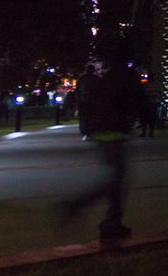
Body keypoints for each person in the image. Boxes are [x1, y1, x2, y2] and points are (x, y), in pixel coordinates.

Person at [59, 57, 144, 242]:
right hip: (113, 131)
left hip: (104, 130)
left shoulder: (103, 79)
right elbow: (129, 102)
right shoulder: (122, 78)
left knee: (117, 179)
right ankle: (78, 206)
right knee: (117, 179)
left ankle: (111, 222)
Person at [76, 64, 98, 140]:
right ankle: (90, 132)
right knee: (91, 117)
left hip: (84, 101)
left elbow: (77, 92)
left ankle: (86, 133)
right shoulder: (96, 79)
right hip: (92, 101)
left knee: (85, 118)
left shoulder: (82, 79)